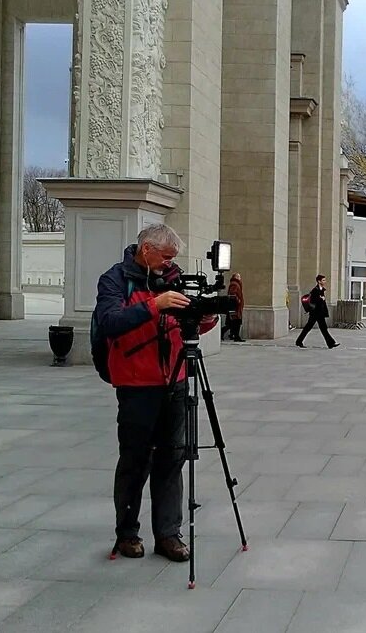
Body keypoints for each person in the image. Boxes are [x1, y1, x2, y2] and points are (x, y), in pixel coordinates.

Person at [93, 223, 218, 562]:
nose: (169, 264)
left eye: (172, 259)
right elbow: (110, 322)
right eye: (165, 257)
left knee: (172, 458)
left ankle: (168, 534)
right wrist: (155, 305)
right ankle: (127, 533)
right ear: (146, 249)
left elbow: (189, 322)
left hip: (175, 381)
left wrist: (203, 315)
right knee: (135, 460)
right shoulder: (115, 279)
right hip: (136, 387)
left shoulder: (174, 277)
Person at [296, 274, 340, 349]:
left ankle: (331, 343)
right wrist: (321, 299)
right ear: (319, 281)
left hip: (319, 313)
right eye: (323, 280)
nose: (325, 281)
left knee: (323, 328)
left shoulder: (321, 289)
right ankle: (299, 341)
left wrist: (322, 299)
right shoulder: (315, 290)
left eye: (325, 280)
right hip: (315, 313)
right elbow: (314, 301)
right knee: (309, 327)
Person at [222, 273, 245, 342]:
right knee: (236, 322)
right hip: (235, 307)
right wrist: (238, 301)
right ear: (236, 277)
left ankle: (232, 335)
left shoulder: (235, 284)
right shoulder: (235, 284)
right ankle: (236, 336)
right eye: (239, 276)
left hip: (235, 307)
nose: (240, 278)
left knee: (233, 323)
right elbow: (233, 294)